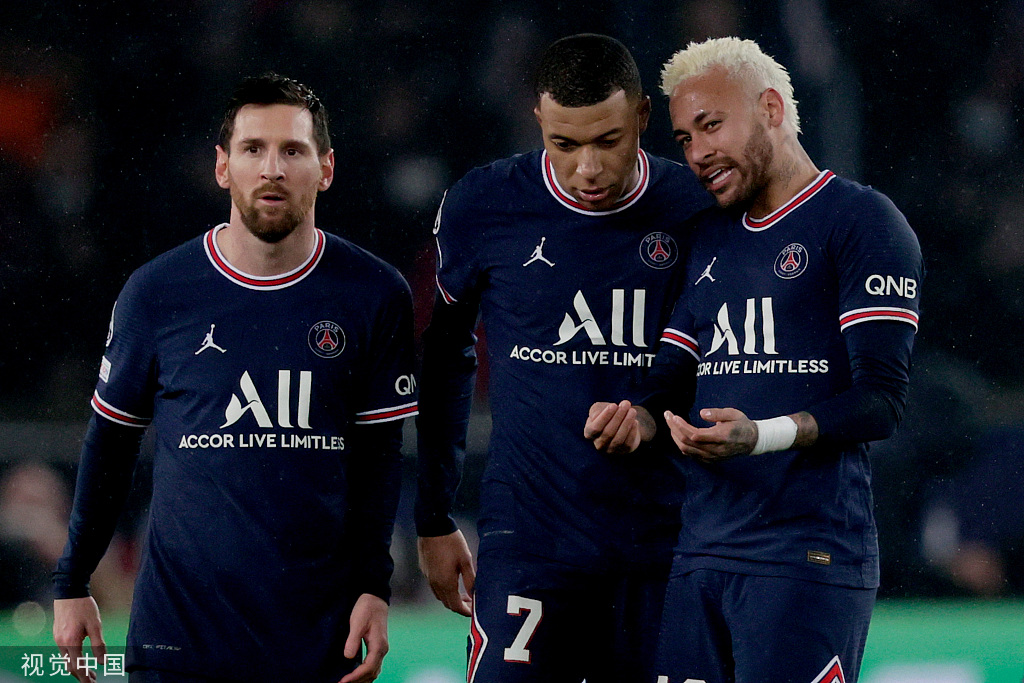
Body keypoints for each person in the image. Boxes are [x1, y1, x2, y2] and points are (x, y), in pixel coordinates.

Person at [52, 73, 417, 683]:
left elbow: (379, 459)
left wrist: (374, 587)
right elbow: (110, 445)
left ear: (326, 169)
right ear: (222, 167)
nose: (272, 169)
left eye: (292, 150)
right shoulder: (157, 293)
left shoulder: (374, 294)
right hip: (177, 642)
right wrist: (71, 581)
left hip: (316, 642)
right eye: (253, 149)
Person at [585, 37, 923, 683]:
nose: (697, 153)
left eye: (711, 125)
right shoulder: (707, 237)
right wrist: (637, 418)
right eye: (684, 138)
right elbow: (670, 380)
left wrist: (760, 436)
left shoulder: (862, 221)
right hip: (699, 555)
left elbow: (880, 400)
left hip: (807, 557)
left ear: (771, 108)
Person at [415, 34, 711, 682]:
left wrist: (655, 413)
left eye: (608, 140)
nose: (587, 168)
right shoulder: (484, 204)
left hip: (670, 541)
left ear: (643, 116)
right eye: (564, 144)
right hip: (529, 542)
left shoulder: (697, 210)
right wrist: (433, 516)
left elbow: (728, 359)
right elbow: (444, 358)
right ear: (538, 122)